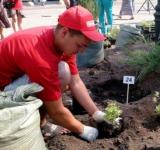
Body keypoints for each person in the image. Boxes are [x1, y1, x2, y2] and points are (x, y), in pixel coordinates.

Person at [0, 6, 115, 141]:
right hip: (3, 95)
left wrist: (96, 113)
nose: (82, 51)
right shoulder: (40, 55)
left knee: (63, 73)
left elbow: (76, 82)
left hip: (12, 81)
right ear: (64, 32)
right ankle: (30, 123)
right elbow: (56, 111)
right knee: (60, 74)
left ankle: (39, 122)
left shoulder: (61, 43)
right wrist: (82, 129)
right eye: (80, 45)